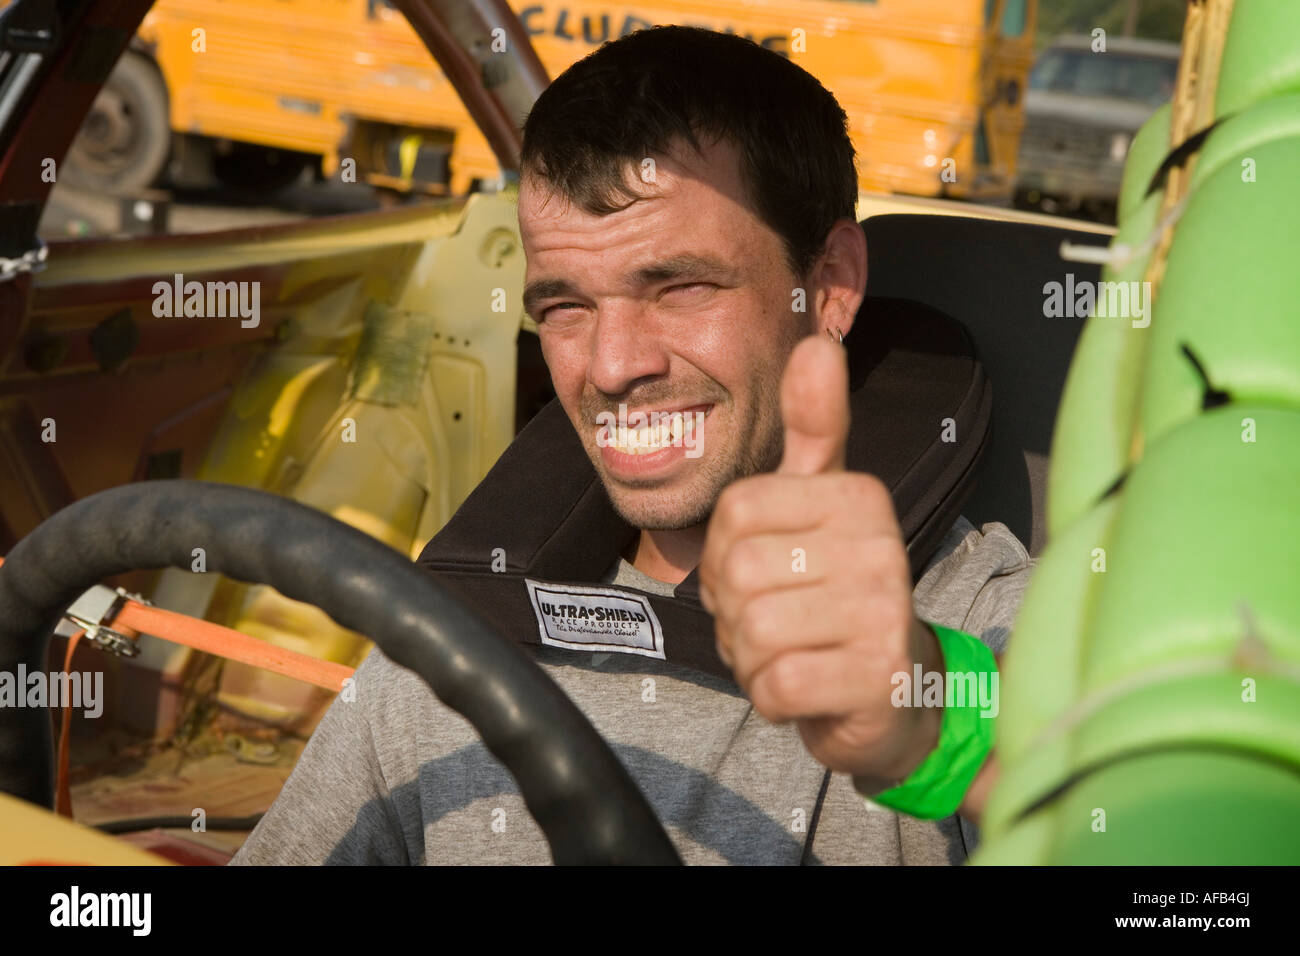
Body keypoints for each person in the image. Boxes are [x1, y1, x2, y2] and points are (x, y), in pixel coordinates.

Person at [231, 25, 1032, 866]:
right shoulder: (455, 633)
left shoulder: (970, 620)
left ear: (829, 284)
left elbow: (1151, 817)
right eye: (566, 307)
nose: (611, 368)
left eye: (681, 286)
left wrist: (941, 723)